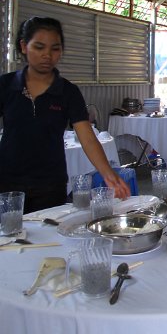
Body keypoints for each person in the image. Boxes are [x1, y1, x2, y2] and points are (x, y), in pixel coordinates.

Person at [0, 17, 130, 213]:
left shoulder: (68, 92)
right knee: (8, 232)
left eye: (55, 48)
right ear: (24, 46)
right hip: (7, 183)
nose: (47, 55)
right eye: (39, 47)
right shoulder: (6, 85)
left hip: (50, 184)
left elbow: (87, 138)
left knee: (48, 230)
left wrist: (108, 174)